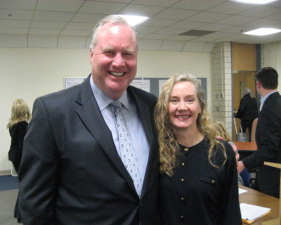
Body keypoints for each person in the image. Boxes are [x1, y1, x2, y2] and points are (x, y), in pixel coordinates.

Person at [18, 15, 160, 225]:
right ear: (92, 54)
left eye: (127, 54)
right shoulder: (52, 111)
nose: (119, 62)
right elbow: (34, 203)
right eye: (109, 52)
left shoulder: (151, 105)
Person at [154, 73, 241, 225]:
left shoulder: (222, 152)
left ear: (200, 106)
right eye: (174, 100)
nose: (182, 107)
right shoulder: (155, 151)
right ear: (166, 108)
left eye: (190, 100)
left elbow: (230, 212)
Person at [238, 67, 281, 198]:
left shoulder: (270, 107)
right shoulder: (277, 102)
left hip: (272, 176)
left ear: (258, 84)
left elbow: (269, 149)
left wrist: (243, 163)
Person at [7, 98, 31, 223]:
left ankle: (19, 211)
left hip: (14, 156)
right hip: (20, 157)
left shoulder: (12, 124)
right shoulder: (23, 125)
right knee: (25, 184)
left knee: (23, 183)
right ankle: (20, 211)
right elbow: (23, 146)